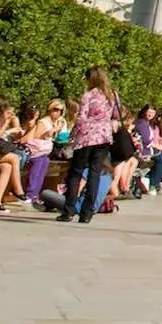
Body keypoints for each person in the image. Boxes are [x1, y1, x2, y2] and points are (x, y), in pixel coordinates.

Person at [60, 67, 118, 224]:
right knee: (95, 173)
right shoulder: (112, 96)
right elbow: (115, 116)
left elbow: (82, 118)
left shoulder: (88, 95)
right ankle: (87, 212)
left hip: (87, 137)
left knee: (76, 172)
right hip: (104, 137)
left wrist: (73, 135)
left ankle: (69, 209)